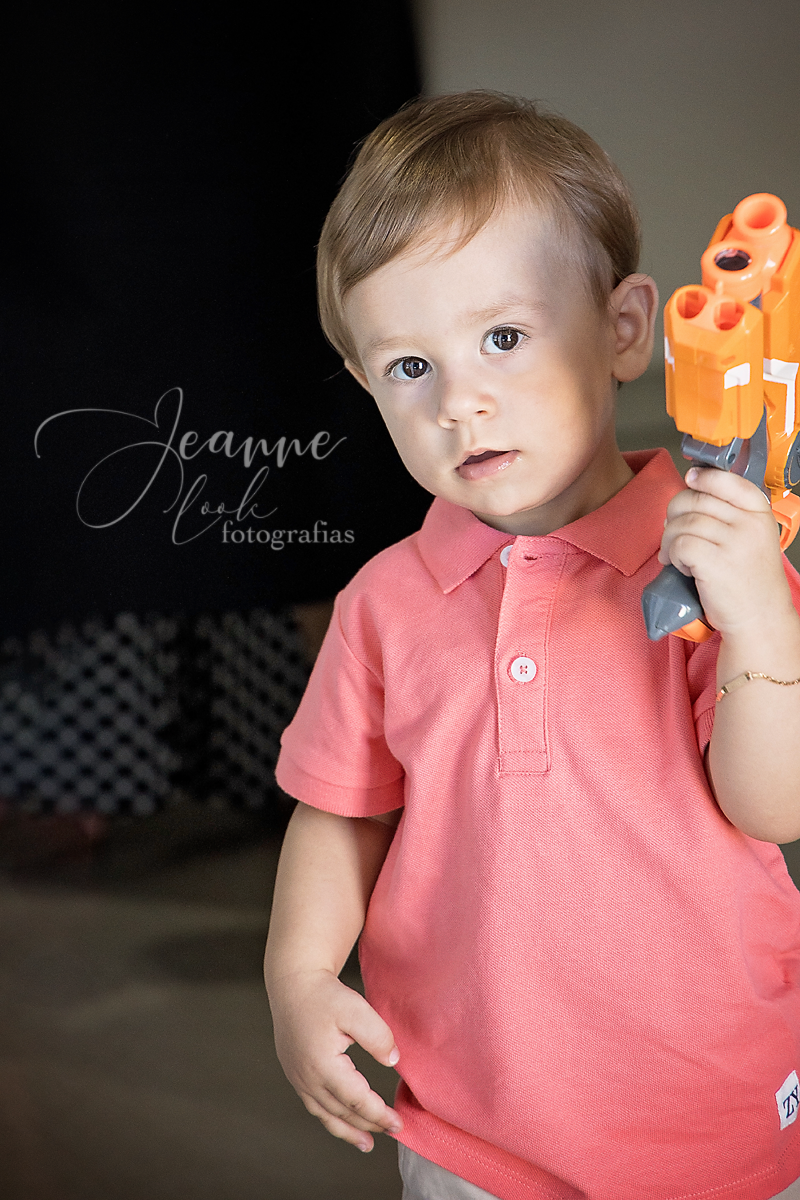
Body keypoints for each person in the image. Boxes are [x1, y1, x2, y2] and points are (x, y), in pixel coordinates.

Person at [264, 91, 800, 1200]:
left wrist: (756, 618)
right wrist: (298, 974)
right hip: (470, 1133)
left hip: (712, 1124)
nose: (461, 399)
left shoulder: (712, 559)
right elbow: (341, 810)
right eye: (409, 368)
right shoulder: (383, 603)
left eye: (502, 337)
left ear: (620, 329)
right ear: (367, 384)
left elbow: (773, 805)